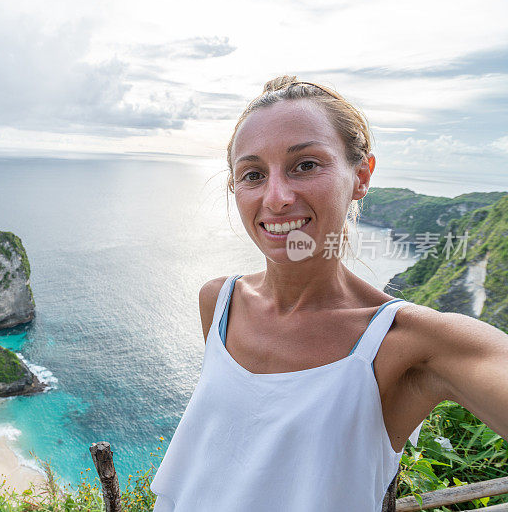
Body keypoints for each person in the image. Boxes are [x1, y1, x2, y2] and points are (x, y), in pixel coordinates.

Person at [148, 76, 508, 511]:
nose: (276, 198)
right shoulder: (220, 302)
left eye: (305, 165)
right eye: (253, 175)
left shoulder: (408, 344)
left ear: (361, 176)